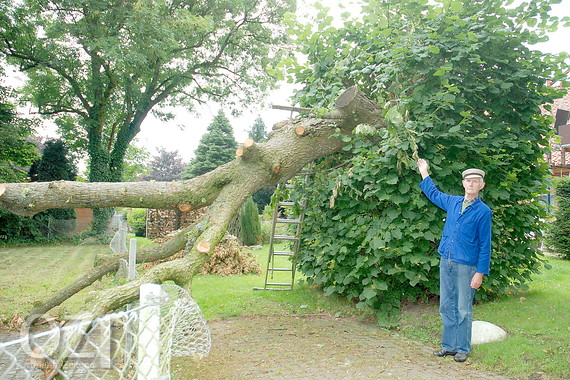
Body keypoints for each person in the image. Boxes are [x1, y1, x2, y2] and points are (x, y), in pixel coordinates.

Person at [417, 158, 492, 363]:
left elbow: (485, 245)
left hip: (467, 265)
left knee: (462, 307)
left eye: (475, 181)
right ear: (463, 184)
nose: (471, 184)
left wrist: (480, 272)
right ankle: (448, 346)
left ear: (481, 185)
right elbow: (433, 193)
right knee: (446, 305)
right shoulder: (453, 202)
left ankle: (462, 348)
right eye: (468, 181)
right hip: (446, 260)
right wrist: (424, 171)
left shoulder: (484, 212)